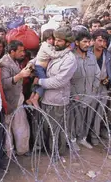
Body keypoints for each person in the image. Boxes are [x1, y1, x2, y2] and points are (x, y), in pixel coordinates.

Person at [32, 27, 77, 156]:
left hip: (58, 101)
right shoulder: (55, 51)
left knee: (56, 130)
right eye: (55, 40)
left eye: (59, 41)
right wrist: (31, 64)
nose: (56, 43)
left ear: (68, 43)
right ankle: (47, 151)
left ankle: (57, 153)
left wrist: (39, 82)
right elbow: (40, 59)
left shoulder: (69, 59)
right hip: (45, 98)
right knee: (46, 128)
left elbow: (59, 81)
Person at [0, 40, 31, 157]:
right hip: (10, 102)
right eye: (20, 51)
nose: (23, 53)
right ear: (12, 52)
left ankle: (22, 150)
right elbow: (4, 83)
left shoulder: (15, 61)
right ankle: (9, 153)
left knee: (21, 127)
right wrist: (20, 75)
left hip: (18, 100)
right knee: (8, 129)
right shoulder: (4, 64)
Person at [70, 30, 100, 149]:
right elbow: (68, 78)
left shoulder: (91, 56)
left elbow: (97, 73)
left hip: (89, 93)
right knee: (73, 118)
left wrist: (94, 87)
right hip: (75, 95)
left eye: (89, 42)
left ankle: (82, 138)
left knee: (86, 118)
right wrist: (74, 94)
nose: (88, 44)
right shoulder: (71, 57)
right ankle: (72, 140)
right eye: (85, 42)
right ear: (77, 43)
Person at [26, 29, 70, 108]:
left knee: (38, 83)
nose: (52, 41)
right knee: (42, 82)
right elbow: (53, 55)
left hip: (41, 68)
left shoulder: (52, 47)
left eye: (53, 39)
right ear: (45, 39)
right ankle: (35, 98)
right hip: (40, 68)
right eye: (49, 39)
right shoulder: (46, 46)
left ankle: (31, 98)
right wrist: (67, 50)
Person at [90, 29, 111, 145]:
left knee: (99, 112)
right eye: (99, 41)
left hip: (102, 86)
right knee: (88, 113)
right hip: (89, 87)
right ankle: (83, 136)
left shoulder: (107, 54)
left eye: (104, 41)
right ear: (93, 41)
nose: (102, 44)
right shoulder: (87, 53)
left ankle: (94, 136)